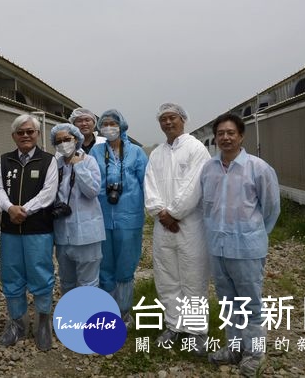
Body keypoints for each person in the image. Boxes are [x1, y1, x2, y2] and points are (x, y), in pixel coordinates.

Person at [201, 113, 280, 377]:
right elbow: (206, 207)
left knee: (250, 304)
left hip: (246, 249)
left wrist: (254, 235)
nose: (225, 137)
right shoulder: (209, 169)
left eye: (230, 133)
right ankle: (234, 348)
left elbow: (271, 209)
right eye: (220, 133)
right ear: (215, 138)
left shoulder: (258, 168)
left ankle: (254, 354)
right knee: (227, 303)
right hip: (218, 248)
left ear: (241, 136)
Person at [144, 103, 211, 353]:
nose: (168, 123)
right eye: (163, 119)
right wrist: (160, 212)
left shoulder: (196, 149)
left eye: (172, 118)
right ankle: (173, 325)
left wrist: (173, 213)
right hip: (163, 226)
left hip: (190, 225)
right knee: (167, 277)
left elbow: (194, 185)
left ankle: (196, 331)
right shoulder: (157, 153)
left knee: (193, 279)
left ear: (183, 119)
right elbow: (149, 186)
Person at [0, 114, 58, 351]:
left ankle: (42, 322)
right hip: (10, 231)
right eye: (21, 132)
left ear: (37, 134)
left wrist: (24, 210)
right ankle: (17, 322)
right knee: (11, 276)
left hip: (38, 229)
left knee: (41, 275)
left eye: (30, 131)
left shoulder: (48, 161)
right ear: (14, 136)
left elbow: (49, 193)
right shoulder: (4, 161)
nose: (26, 136)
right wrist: (10, 208)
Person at [89, 109, 148, 326]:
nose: (108, 127)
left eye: (113, 123)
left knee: (126, 265)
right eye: (104, 124)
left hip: (130, 218)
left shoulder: (137, 153)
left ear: (121, 126)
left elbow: (146, 184)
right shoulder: (95, 152)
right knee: (104, 265)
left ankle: (124, 311)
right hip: (101, 217)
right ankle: (108, 310)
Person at [50, 123, 105, 295]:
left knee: (88, 284)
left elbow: (92, 191)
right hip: (63, 235)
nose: (63, 143)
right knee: (67, 282)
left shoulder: (88, 161)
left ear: (76, 139)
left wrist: (79, 167)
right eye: (58, 141)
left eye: (67, 139)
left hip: (87, 235)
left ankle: (88, 320)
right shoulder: (55, 165)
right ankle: (72, 319)